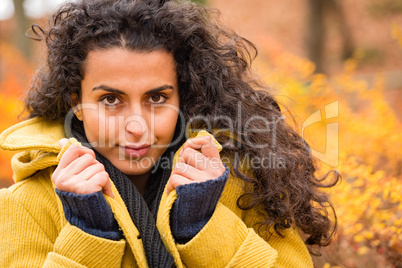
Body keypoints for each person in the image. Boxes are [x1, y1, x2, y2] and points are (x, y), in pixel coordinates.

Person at [0, 0, 339, 267]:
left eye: (157, 98)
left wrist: (204, 225)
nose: (137, 126)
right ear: (77, 101)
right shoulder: (28, 204)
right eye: (111, 100)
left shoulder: (241, 180)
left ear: (183, 96)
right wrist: (87, 234)